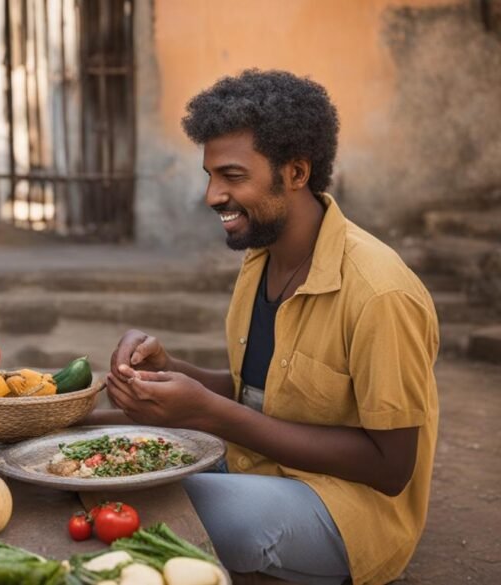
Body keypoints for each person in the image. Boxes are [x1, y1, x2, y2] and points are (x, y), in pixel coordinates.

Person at [107, 70, 438, 585]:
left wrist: (212, 415)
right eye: (209, 175)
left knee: (164, 501)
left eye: (232, 176)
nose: (214, 195)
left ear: (297, 172)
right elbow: (257, 393)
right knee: (120, 464)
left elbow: (392, 466)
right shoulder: (261, 258)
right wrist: (170, 369)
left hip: (350, 510)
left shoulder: (380, 292)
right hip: (256, 471)